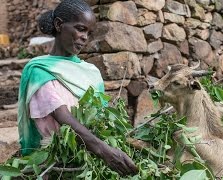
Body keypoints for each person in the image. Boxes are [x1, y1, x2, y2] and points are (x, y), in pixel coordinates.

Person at [17, 0, 138, 176]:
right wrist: (104, 151)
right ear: (59, 25)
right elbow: (63, 116)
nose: (84, 37)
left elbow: (99, 117)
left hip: (90, 160)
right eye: (80, 29)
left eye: (88, 33)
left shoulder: (91, 72)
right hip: (54, 163)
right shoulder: (39, 70)